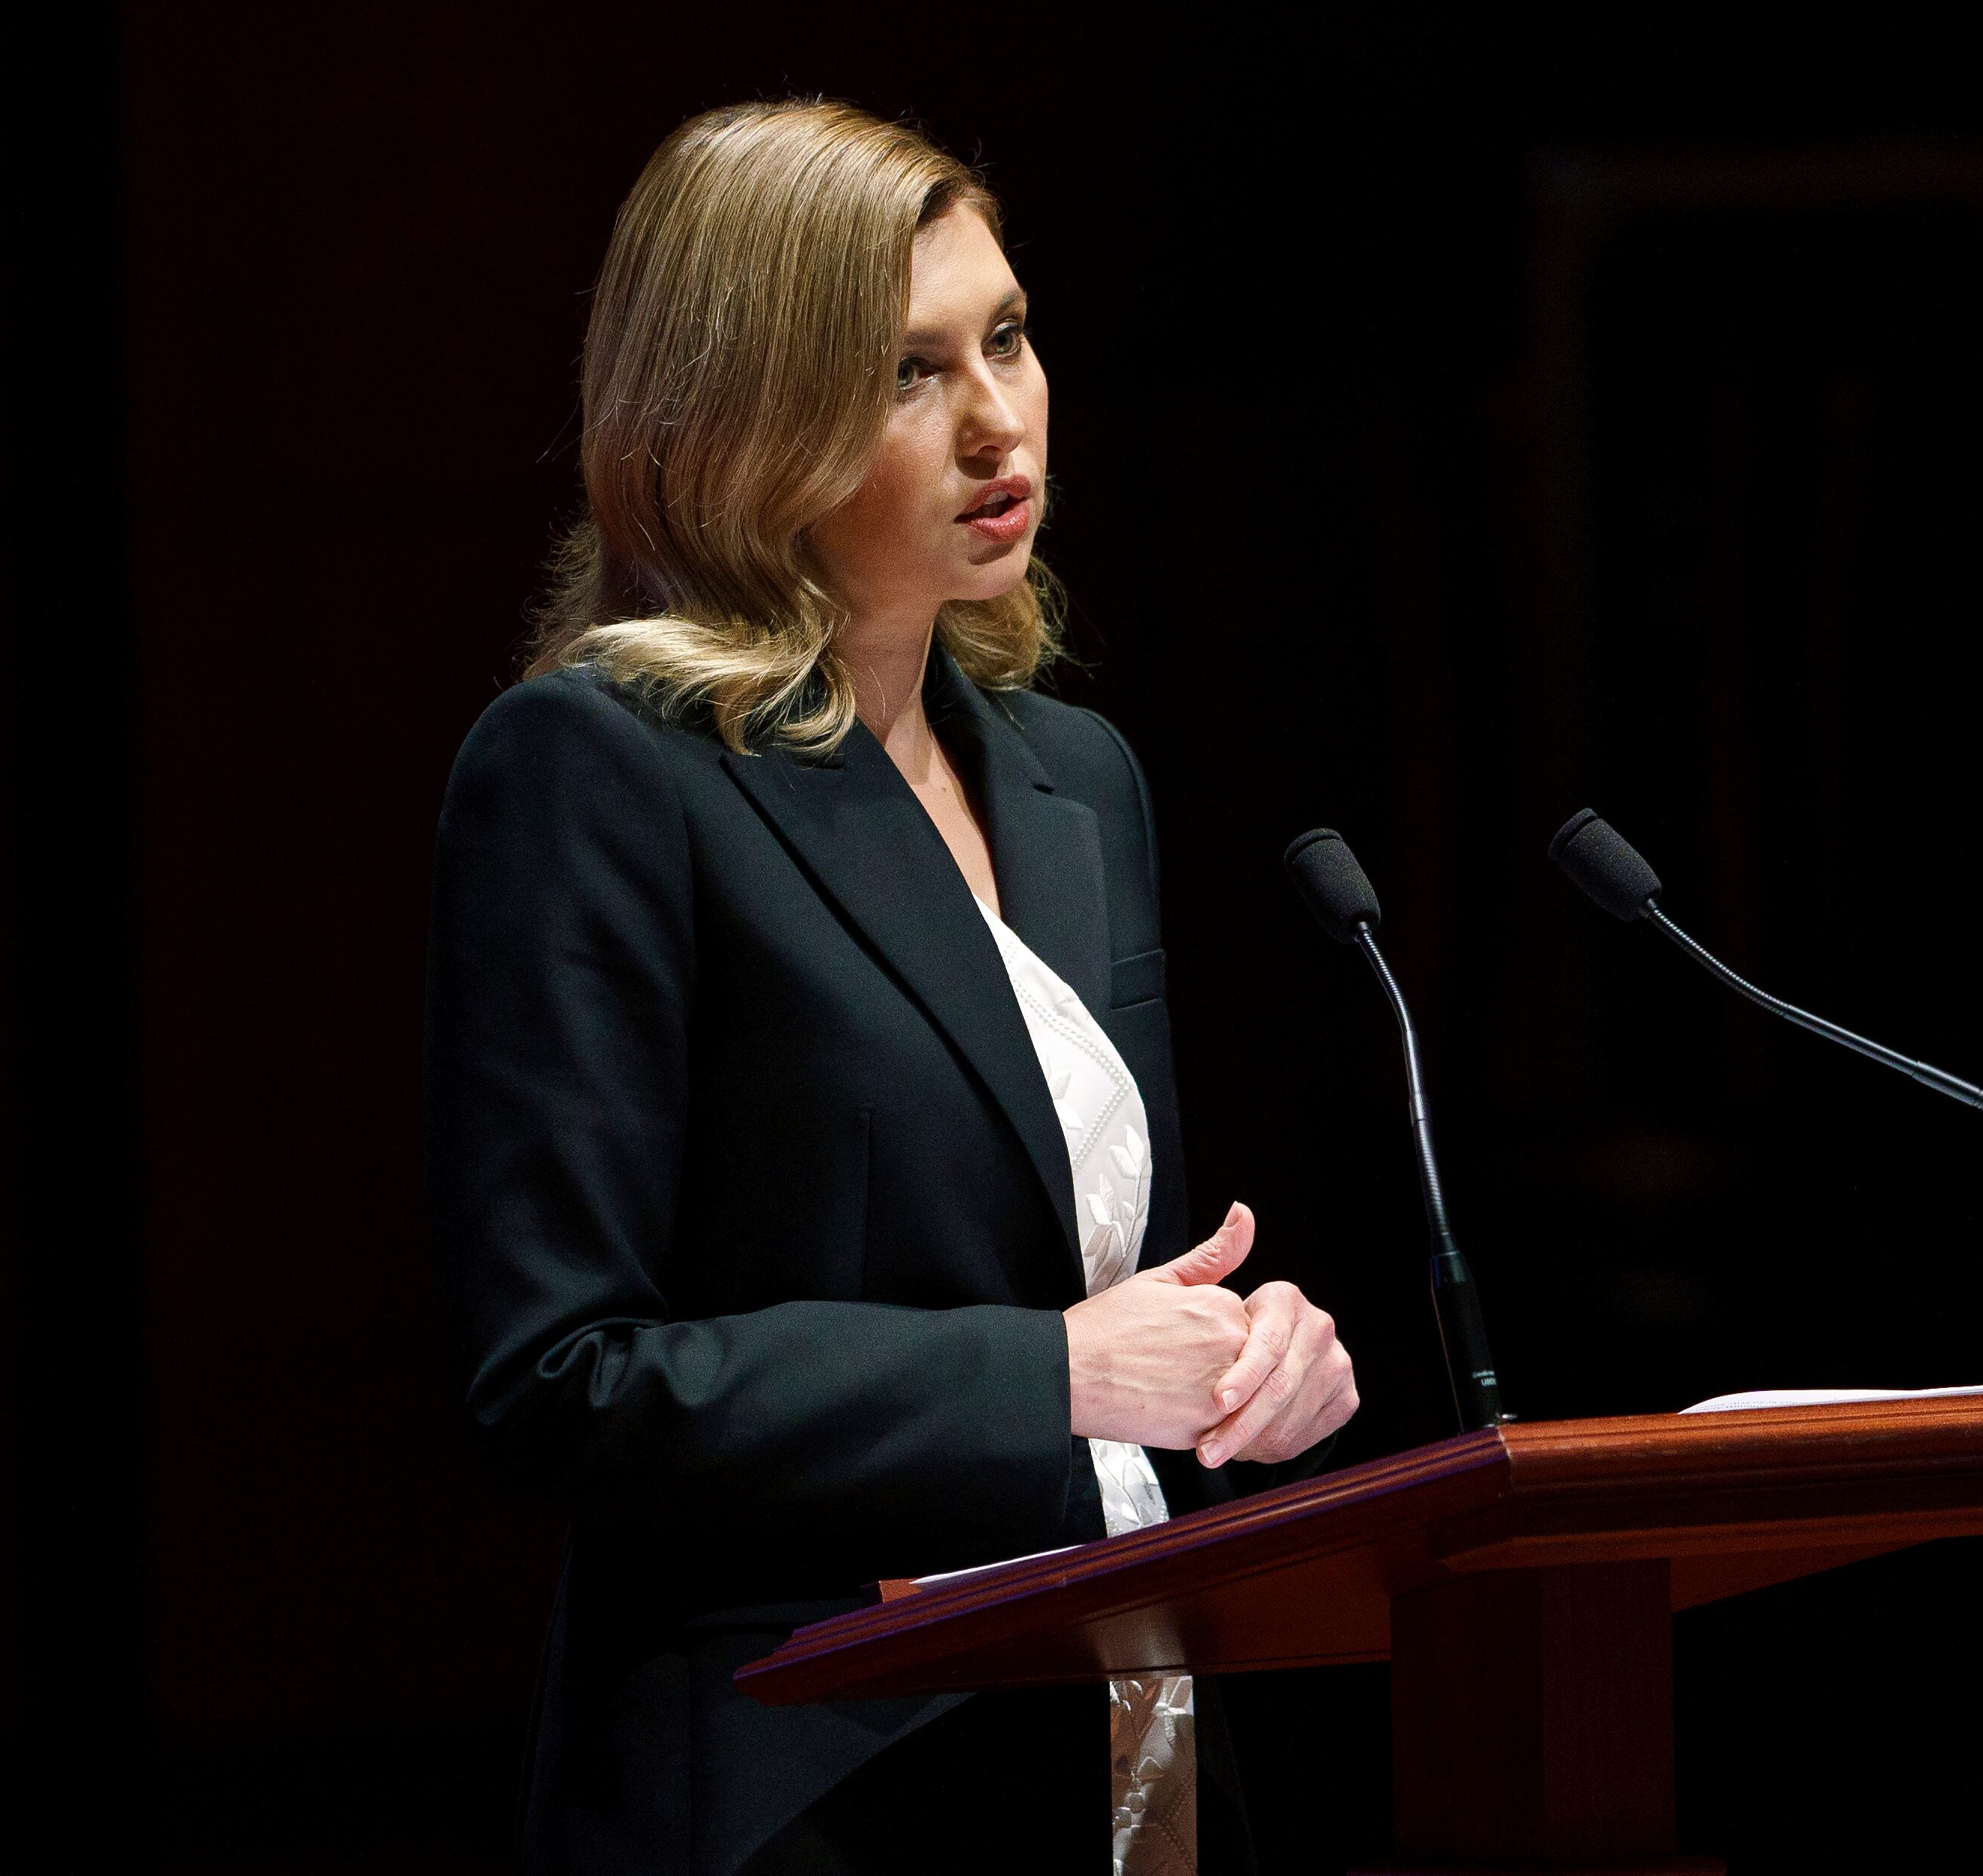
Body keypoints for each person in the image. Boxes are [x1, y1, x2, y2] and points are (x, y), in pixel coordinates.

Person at [424, 101, 1362, 1875]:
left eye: (1005, 337)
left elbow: (1104, 1287)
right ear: (741, 420)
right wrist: (1054, 1375)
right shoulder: (599, 774)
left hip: (1131, 1741)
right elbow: (558, 1385)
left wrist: (1248, 1372)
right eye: (907, 373)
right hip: (812, 1785)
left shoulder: (1074, 779)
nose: (997, 419)